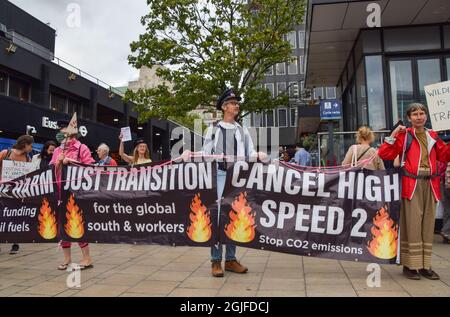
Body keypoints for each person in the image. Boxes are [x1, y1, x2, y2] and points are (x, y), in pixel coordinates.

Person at [182, 87, 267, 278]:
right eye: (233, 103)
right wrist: (190, 154)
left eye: (237, 103)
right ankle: (215, 260)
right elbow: (206, 154)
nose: (237, 106)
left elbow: (250, 153)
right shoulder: (213, 129)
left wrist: (259, 155)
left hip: (237, 179)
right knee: (218, 217)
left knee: (234, 215)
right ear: (224, 107)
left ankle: (230, 259)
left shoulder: (242, 130)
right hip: (219, 177)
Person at [378, 103, 450, 280]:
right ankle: (410, 265)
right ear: (409, 118)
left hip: (431, 184)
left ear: (426, 116)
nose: (419, 116)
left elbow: (445, 156)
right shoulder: (405, 136)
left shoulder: (432, 135)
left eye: (422, 113)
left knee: (427, 225)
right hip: (411, 184)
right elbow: (384, 154)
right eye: (415, 114)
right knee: (412, 225)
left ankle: (425, 265)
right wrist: (394, 134)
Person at [50, 116, 94, 270]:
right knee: (62, 226)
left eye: (65, 134)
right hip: (59, 192)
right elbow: (50, 172)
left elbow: (90, 168)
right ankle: (67, 259)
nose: (62, 137)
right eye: (60, 134)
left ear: (73, 135)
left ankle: (86, 258)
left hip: (76, 193)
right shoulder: (56, 150)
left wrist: (71, 162)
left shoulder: (82, 148)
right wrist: (57, 163)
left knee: (77, 222)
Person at [0, 135, 34, 255]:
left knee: (15, 217)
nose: (32, 147)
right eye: (31, 145)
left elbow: (28, 176)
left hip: (16, 193)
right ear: (25, 144)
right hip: (2, 191)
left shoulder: (27, 158)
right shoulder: (5, 153)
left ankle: (15, 243)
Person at [441, 137, 450, 243]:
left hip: (445, 184)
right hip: (446, 184)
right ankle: (446, 230)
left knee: (447, 210)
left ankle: (446, 234)